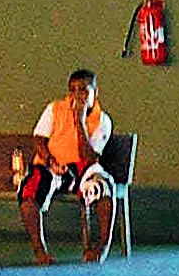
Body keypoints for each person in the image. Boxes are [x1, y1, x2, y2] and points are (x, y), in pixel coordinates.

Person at [19, 70, 114, 264]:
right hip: (53, 166)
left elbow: (89, 157)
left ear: (95, 92)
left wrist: (79, 121)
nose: (77, 96)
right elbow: (40, 139)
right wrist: (50, 162)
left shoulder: (102, 120)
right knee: (29, 189)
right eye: (72, 91)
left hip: (83, 169)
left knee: (103, 186)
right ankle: (40, 251)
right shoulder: (54, 109)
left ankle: (101, 246)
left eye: (83, 91)